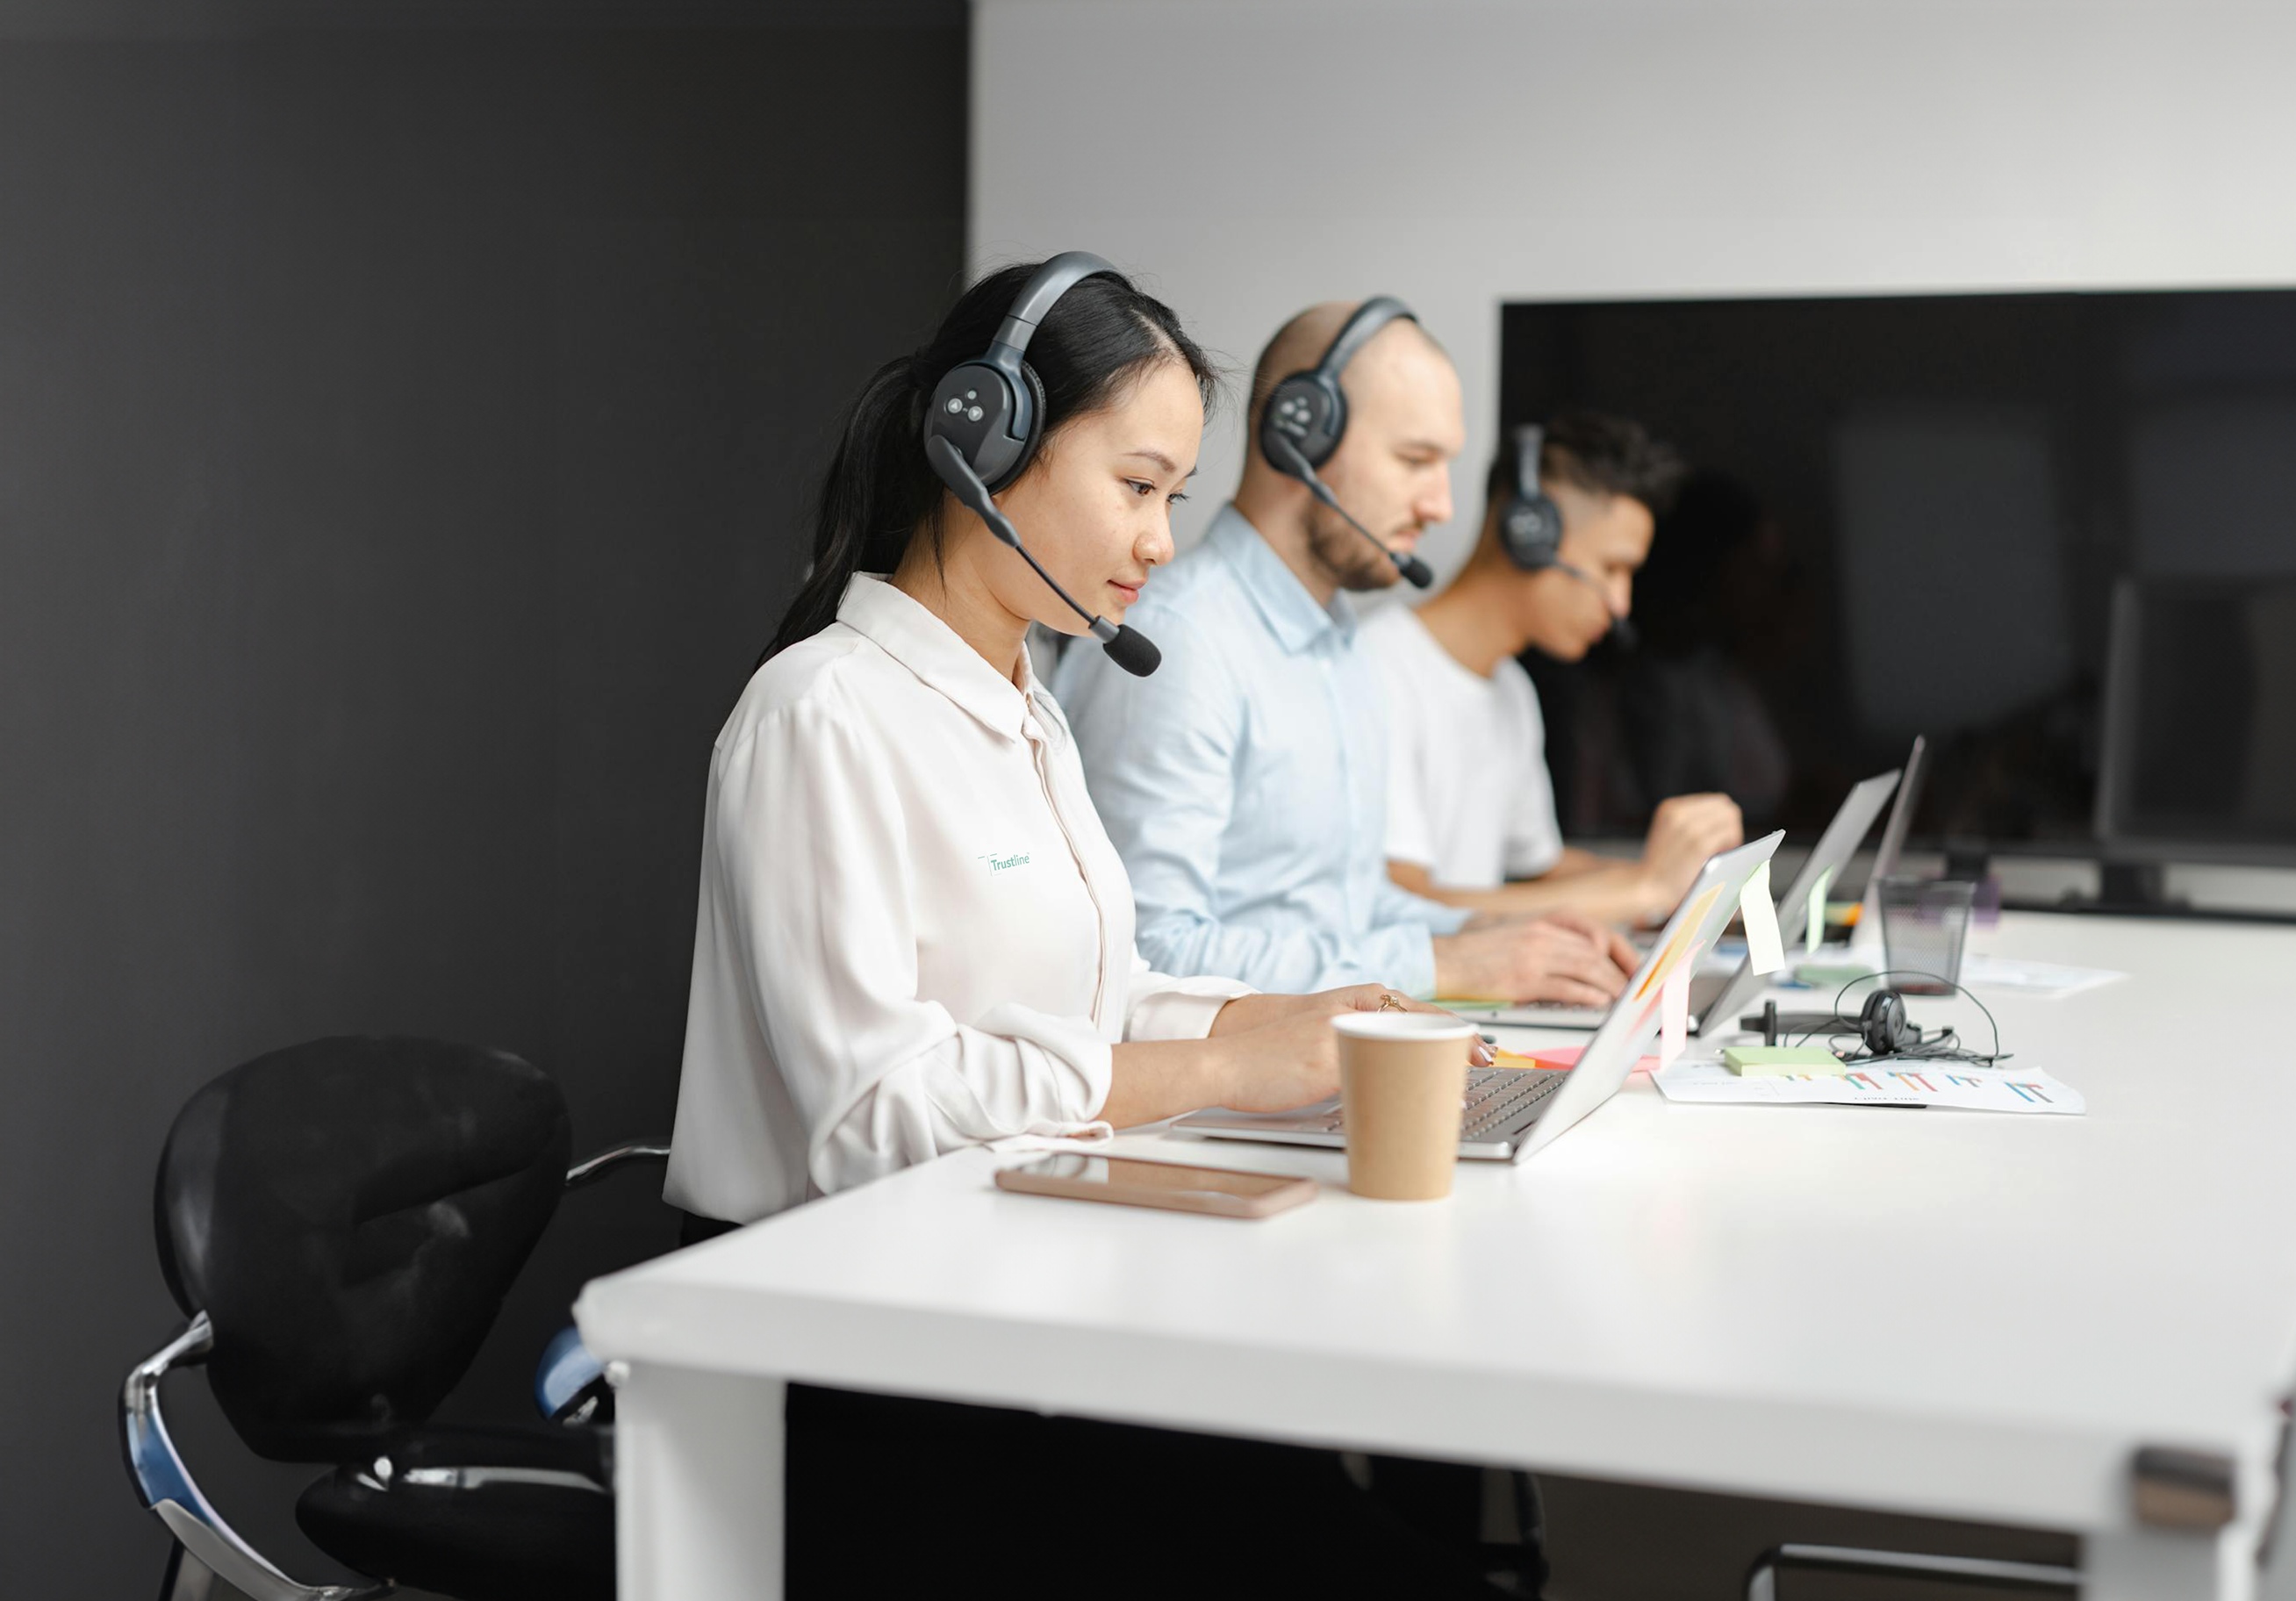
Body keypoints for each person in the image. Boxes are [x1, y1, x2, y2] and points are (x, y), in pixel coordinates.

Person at [663, 257, 1517, 1599]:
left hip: (1005, 1306)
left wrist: (1281, 1024)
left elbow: (1098, 1004)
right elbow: (873, 1118)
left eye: (1175, 496)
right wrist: (1228, 1070)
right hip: (862, 1376)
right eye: (1136, 488)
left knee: (1325, 1511)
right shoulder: (820, 714)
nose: (1163, 540)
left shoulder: (1029, 707)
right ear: (982, 439)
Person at [1054, 298, 1637, 1007]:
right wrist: (1448, 968)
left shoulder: (1341, 644)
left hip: (1328, 1073)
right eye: (1415, 460)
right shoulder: (1183, 645)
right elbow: (1147, 951)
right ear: (1302, 431)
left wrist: (1495, 934)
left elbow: (1349, 910)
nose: (1441, 506)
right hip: (1210, 1106)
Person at [1361, 409, 1745, 927]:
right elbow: (1405, 907)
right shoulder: (1377, 667)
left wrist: (1686, 885)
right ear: (1528, 532)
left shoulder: (1511, 690)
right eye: (1612, 568)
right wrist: (1642, 890)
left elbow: (1542, 870)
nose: (1620, 605)